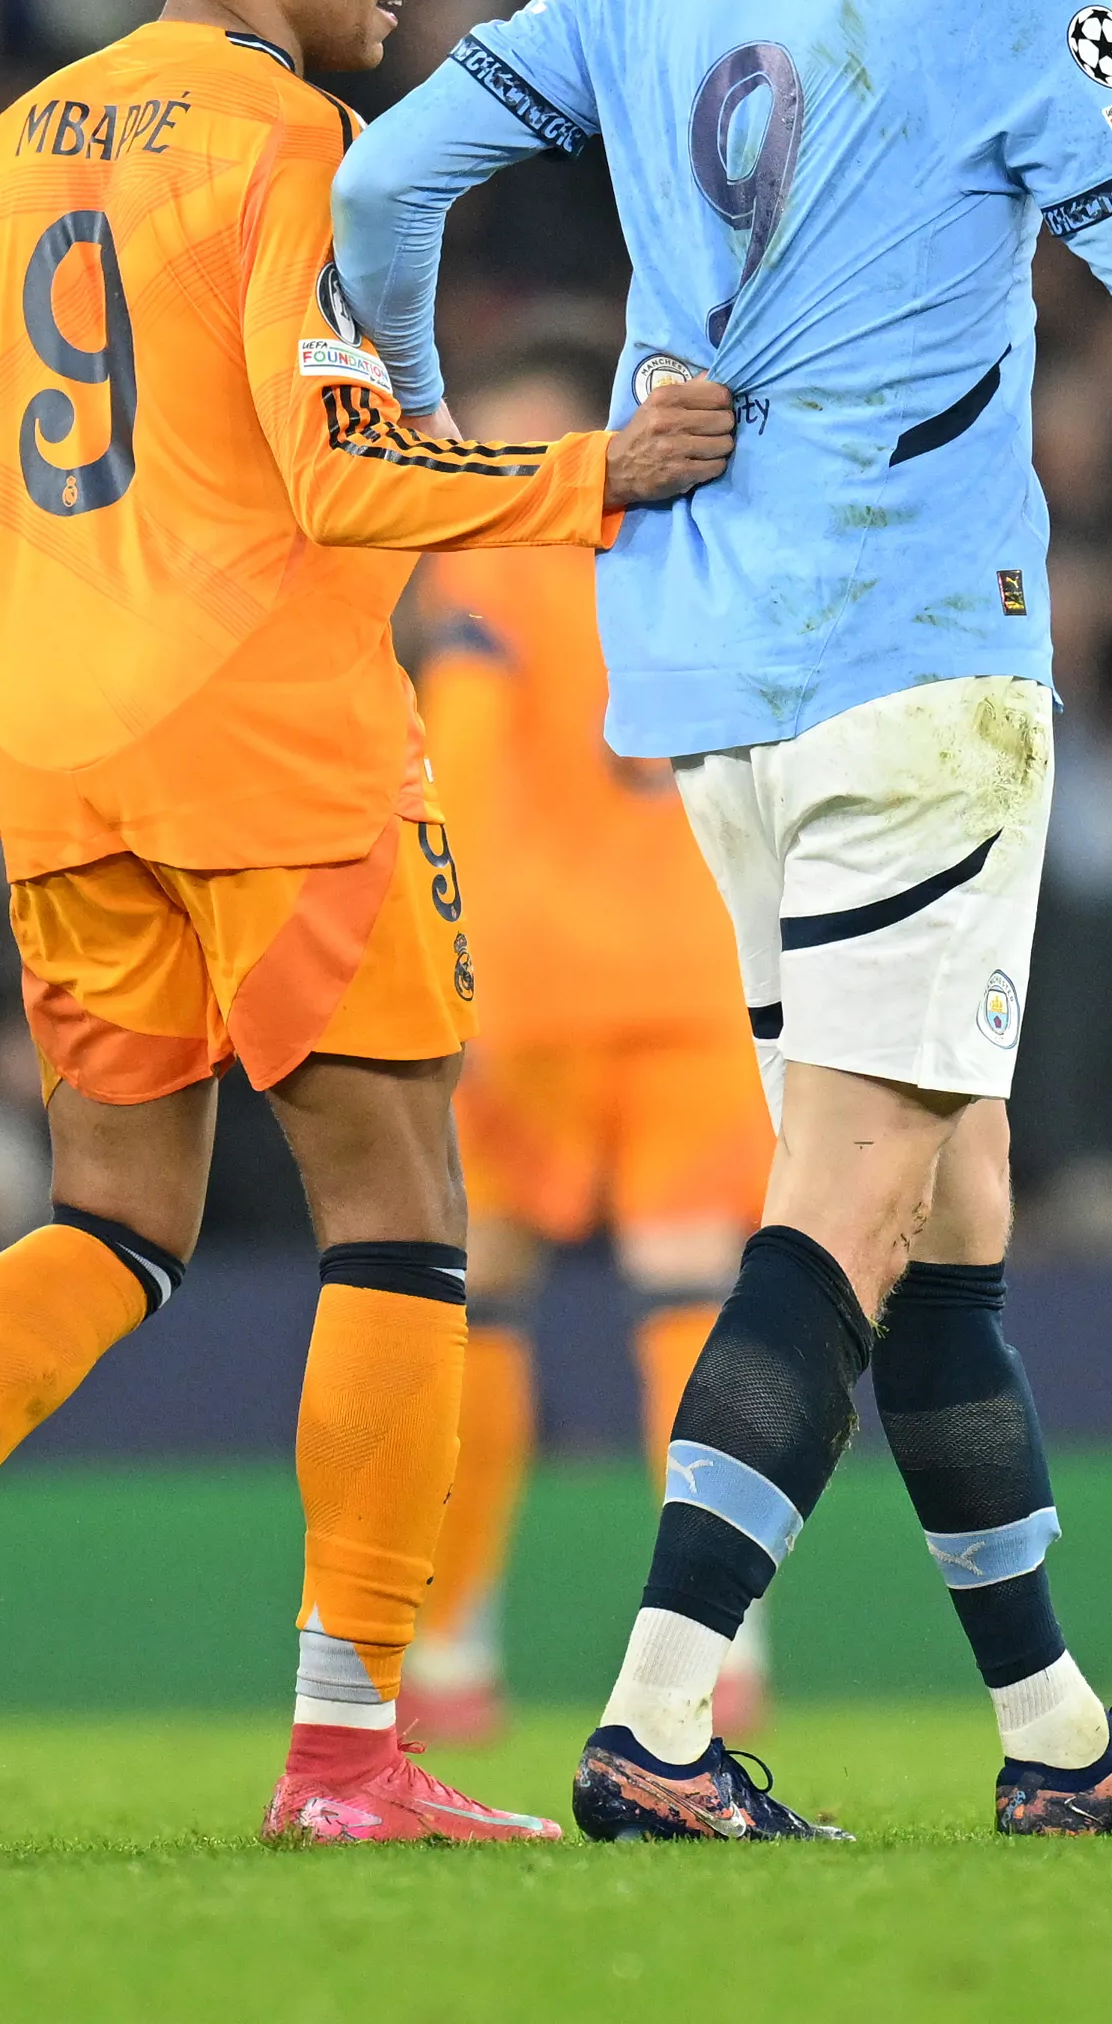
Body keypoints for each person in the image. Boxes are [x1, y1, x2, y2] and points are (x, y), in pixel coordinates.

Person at [330, 0, 1112, 1841]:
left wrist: (440, 431)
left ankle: (1053, 1737)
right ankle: (652, 1718)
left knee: (945, 1190)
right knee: (848, 1190)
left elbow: (380, 194)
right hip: (912, 660)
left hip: (698, 680)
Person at [0, 0, 736, 1848]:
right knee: (398, 1227)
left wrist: (14, 764)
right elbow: (341, 470)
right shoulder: (297, 143)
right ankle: (343, 1746)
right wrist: (589, 477)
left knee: (108, 1217)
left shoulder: (4, 153)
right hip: (277, 756)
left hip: (71, 759)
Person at [399, 334, 775, 1747]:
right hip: (696, 977)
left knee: (477, 1300)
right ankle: (719, 1653)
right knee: (693, 1299)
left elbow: (464, 767)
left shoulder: (491, 560)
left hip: (531, 988)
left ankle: (450, 1654)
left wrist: (455, 972)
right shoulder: (697, 543)